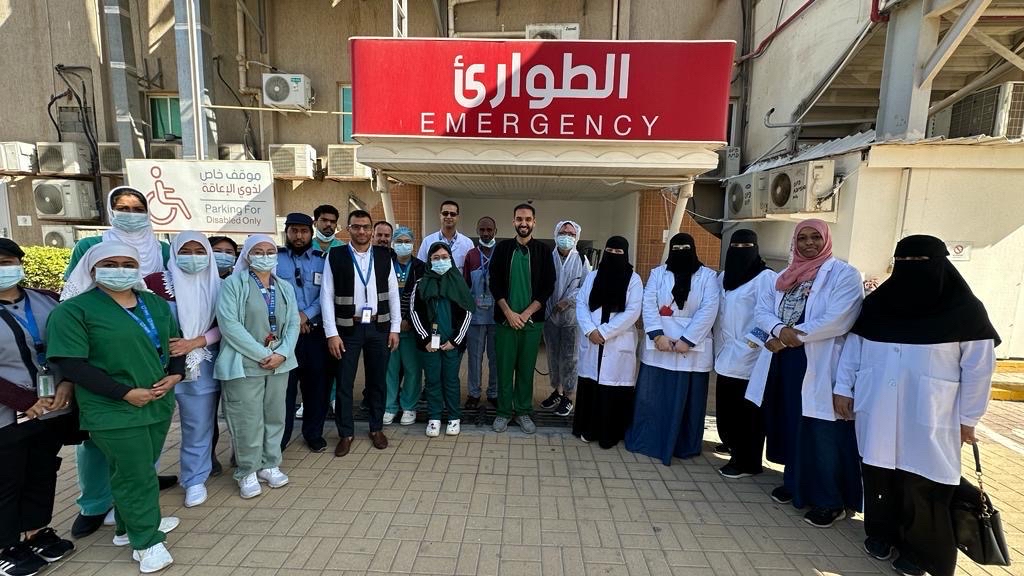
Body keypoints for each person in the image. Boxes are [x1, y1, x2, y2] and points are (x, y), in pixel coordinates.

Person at [834, 235, 998, 576]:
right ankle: (881, 534)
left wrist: (969, 418)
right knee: (879, 476)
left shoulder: (964, 311)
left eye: (919, 263)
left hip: (933, 413)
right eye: (903, 263)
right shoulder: (877, 305)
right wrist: (843, 389)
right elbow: (853, 350)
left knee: (924, 485)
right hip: (877, 406)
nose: (910, 270)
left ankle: (923, 554)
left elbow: (979, 370)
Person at [48, 242, 184, 573]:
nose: (120, 270)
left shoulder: (154, 303)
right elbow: (72, 364)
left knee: (135, 470)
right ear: (93, 270)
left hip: (156, 402)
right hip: (112, 408)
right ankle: (147, 541)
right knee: (137, 475)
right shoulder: (74, 311)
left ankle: (126, 528)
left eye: (128, 264)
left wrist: (176, 374)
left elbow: (174, 343)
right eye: (110, 264)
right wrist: (123, 392)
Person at [60, 186, 177, 539]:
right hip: (106, 374)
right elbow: (74, 297)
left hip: (150, 367)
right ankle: (97, 505)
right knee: (100, 447)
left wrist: (176, 371)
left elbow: (169, 306)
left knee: (138, 457)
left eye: (138, 208)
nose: (131, 214)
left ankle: (132, 508)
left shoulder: (161, 253)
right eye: (122, 207)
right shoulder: (88, 251)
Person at [744, 219, 864, 528]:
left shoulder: (844, 275)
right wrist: (778, 329)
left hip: (817, 362)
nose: (809, 243)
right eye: (802, 238)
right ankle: (795, 483)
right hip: (784, 361)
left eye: (815, 237)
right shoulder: (785, 276)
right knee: (790, 423)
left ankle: (830, 501)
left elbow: (838, 319)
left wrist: (789, 337)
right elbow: (762, 311)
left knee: (821, 433)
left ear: (826, 240)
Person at [0, 239, 76, 576]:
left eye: (7, 261)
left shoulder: (47, 300)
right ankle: (5, 545)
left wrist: (68, 382)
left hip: (52, 407)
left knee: (42, 471)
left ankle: (36, 531)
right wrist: (24, 401)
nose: (3, 269)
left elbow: (72, 345)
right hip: (7, 415)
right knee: (7, 479)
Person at [214, 235, 300, 499]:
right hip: (245, 363)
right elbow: (229, 324)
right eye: (258, 251)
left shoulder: (283, 286)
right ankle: (247, 470)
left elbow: (294, 322)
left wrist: (282, 353)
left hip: (279, 364)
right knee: (247, 419)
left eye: (270, 251)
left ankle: (270, 463)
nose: (265, 256)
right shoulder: (233, 284)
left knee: (275, 415)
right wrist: (263, 353)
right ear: (248, 256)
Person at [625, 233, 719, 465]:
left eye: (686, 248)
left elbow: (709, 308)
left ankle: (683, 445)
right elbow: (649, 303)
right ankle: (648, 440)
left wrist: (688, 339)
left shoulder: (708, 276)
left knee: (687, 402)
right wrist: (657, 335)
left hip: (692, 349)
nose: (681, 252)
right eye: (676, 248)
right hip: (660, 346)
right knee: (652, 398)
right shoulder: (658, 274)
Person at [143, 232, 221, 508]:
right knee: (151, 429)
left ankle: (195, 479)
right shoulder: (153, 283)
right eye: (185, 251)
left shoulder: (218, 285)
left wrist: (196, 342)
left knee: (198, 425)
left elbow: (225, 324)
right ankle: (143, 482)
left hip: (202, 362)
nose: (193, 257)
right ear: (174, 253)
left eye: (199, 252)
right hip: (158, 367)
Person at [321, 210, 401, 457]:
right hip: (348, 328)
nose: (362, 231)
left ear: (371, 230)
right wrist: (331, 333)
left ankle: (376, 428)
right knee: (344, 382)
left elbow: (393, 293)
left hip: (379, 327)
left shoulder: (384, 255)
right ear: (349, 229)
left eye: (366, 227)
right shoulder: (336, 255)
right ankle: (346, 433)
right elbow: (326, 295)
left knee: (378, 381)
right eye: (356, 227)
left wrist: (395, 328)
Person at [713, 230, 776, 479]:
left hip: (751, 355)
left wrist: (752, 343)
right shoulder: (724, 277)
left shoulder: (765, 278)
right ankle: (731, 444)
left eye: (746, 246)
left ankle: (747, 461)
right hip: (726, 352)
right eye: (736, 246)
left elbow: (770, 315)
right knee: (727, 406)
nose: (740, 251)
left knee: (747, 412)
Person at [489, 204, 555, 434]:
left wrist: (526, 314)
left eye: (527, 219)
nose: (523, 223)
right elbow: (494, 282)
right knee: (504, 369)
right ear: (513, 221)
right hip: (505, 321)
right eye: (519, 219)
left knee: (526, 369)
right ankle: (504, 412)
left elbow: (548, 286)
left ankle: (523, 411)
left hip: (532, 322)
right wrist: (509, 313)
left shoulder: (544, 251)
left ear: (534, 222)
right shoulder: (502, 249)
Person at [572, 236, 643, 449]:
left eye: (618, 252)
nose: (613, 255)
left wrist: (604, 332)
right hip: (592, 338)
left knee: (612, 388)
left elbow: (633, 311)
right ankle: (587, 428)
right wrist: (590, 330)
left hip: (616, 339)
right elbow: (581, 304)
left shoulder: (634, 280)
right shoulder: (593, 276)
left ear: (626, 254)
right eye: (610, 251)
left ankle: (609, 434)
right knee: (591, 384)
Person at [277, 213, 334, 454]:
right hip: (284, 336)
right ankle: (281, 437)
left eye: (303, 231)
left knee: (317, 388)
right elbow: (271, 293)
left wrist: (306, 316)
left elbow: (327, 295)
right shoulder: (275, 259)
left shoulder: (324, 261)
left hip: (315, 334)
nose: (299, 236)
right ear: (287, 232)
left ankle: (313, 434)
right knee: (284, 389)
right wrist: (294, 319)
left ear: (311, 233)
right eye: (294, 231)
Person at [409, 242, 475, 437]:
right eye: (436, 258)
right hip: (429, 344)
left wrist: (455, 341)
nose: (440, 261)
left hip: (451, 344)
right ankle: (434, 417)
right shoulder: (421, 283)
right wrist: (425, 339)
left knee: (451, 380)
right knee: (432, 380)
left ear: (451, 259)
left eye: (445, 257)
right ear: (429, 260)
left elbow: (467, 312)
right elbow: (414, 312)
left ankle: (454, 417)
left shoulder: (458, 282)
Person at [540, 220, 590, 417]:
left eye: (570, 234)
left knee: (570, 358)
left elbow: (586, 287)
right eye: (563, 232)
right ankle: (557, 391)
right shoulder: (547, 257)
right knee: (552, 356)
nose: (566, 237)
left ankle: (568, 396)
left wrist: (568, 301)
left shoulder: (582, 260)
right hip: (550, 315)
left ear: (576, 237)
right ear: (556, 234)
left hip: (571, 317)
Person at [384, 227, 426, 426]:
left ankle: (409, 406)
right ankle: (389, 407)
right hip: (389, 327)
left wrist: (409, 319)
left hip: (411, 327)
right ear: (393, 243)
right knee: (389, 370)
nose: (403, 245)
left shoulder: (421, 267)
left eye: (406, 241)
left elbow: (423, 299)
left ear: (413, 243)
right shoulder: (384, 265)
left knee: (412, 369)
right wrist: (392, 321)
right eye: (399, 241)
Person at [206, 235, 237, 476]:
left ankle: (240, 452)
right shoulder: (192, 283)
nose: (223, 256)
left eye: (229, 252)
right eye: (218, 250)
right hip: (201, 355)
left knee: (237, 408)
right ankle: (207, 457)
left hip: (235, 351)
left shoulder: (238, 281)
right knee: (205, 413)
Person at [462, 217, 499, 410]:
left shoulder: (501, 253)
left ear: (495, 231)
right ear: (477, 230)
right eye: (482, 229)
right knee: (474, 358)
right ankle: (474, 393)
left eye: (489, 229)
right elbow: (465, 284)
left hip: (498, 316)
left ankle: (494, 393)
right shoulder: (471, 255)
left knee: (496, 358)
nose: (486, 233)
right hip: (476, 316)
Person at [417, 200, 475, 272]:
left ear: (457, 217)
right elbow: (420, 267)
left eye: (453, 214)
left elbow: (471, 269)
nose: (448, 216)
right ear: (440, 215)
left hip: (458, 279)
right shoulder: (427, 241)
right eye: (445, 213)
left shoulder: (468, 243)